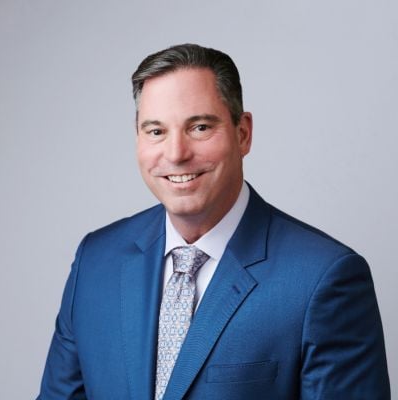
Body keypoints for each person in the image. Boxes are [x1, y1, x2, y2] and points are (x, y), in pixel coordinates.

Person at [37, 44, 390, 400]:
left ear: (243, 134)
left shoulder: (323, 279)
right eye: (156, 131)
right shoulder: (95, 261)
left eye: (200, 127)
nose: (176, 154)